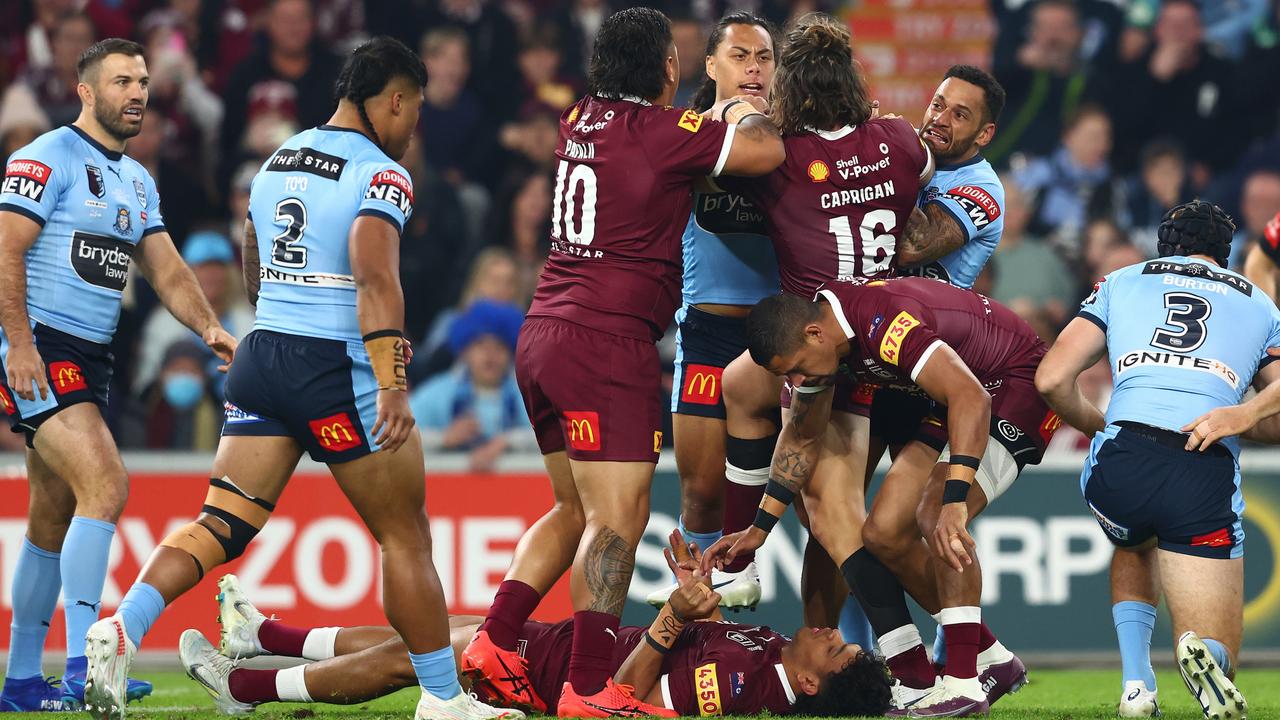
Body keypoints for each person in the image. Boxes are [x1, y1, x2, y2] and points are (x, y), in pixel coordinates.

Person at [80, 37, 517, 720]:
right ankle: (440, 698)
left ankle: (123, 625)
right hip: (336, 366)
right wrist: (392, 381)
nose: (413, 128)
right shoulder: (381, 174)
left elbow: (252, 248)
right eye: (415, 112)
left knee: (220, 521)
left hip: (265, 352)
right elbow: (375, 273)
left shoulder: (278, 158)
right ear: (395, 100)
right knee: (404, 536)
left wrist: (270, 321)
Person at [459, 7, 785, 717]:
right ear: (670, 70)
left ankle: (494, 640)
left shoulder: (581, 117)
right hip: (607, 344)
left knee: (573, 509)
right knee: (617, 520)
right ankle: (586, 690)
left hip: (543, 331)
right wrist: (733, 107)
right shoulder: (667, 135)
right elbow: (764, 155)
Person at [0, 38, 236, 712]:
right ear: (85, 91)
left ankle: (21, 681)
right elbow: (5, 252)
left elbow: (165, 269)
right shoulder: (45, 157)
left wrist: (210, 327)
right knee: (106, 485)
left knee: (51, 519)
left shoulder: (137, 181)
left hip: (90, 359)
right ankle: (84, 668)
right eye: (122, 81)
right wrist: (18, 344)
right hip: (42, 346)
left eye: (142, 81)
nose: (137, 93)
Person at [709, 275, 1057, 716]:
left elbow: (971, 396)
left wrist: (955, 500)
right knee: (883, 532)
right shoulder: (825, 346)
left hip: (1012, 384)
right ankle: (993, 659)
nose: (796, 380)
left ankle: (964, 682)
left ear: (814, 333)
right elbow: (799, 441)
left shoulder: (883, 322)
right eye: (786, 375)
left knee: (934, 513)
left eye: (795, 367)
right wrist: (759, 529)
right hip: (953, 399)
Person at [175, 535, 892, 717]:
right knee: (435, 634)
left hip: (555, 679)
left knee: (416, 662)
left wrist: (673, 617)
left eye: (836, 649)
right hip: (568, 645)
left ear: (807, 681)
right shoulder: (770, 651)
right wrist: (687, 597)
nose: (830, 633)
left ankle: (243, 686)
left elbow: (625, 693)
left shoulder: (741, 685)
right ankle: (264, 640)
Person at [1036, 200, 1280, 719]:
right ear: (1224, 255)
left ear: (1162, 249)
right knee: (1223, 653)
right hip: (1201, 461)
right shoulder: (1260, 303)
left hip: (1120, 461)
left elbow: (1051, 379)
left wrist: (1101, 429)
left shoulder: (1122, 280)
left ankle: (1136, 685)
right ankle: (1205, 656)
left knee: (1134, 538)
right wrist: (1240, 416)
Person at [648, 11, 780, 612]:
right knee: (701, 493)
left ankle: (857, 649)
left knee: (818, 504)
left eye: (764, 57)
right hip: (706, 332)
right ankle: (705, 624)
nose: (753, 67)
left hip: (783, 337)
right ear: (710, 65)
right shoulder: (685, 134)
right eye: (740, 56)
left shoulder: (795, 140)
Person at [411, 299, 535, 471]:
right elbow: (401, 436)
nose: (490, 355)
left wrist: (508, 442)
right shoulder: (437, 392)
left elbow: (556, 435)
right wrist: (444, 438)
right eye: (480, 345)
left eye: (499, 347)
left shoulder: (527, 394)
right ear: (464, 351)